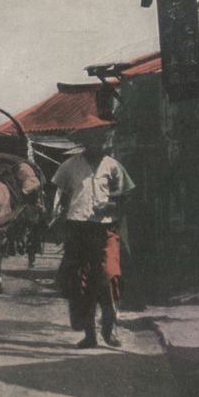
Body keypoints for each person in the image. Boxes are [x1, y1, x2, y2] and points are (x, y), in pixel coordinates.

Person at [52, 132, 135, 348]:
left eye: (100, 140)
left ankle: (109, 329)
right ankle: (90, 335)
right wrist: (61, 218)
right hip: (78, 229)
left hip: (106, 229)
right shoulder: (69, 166)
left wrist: (109, 207)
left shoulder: (113, 166)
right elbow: (62, 195)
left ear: (105, 142)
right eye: (91, 140)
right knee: (82, 282)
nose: (96, 144)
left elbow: (125, 198)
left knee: (109, 277)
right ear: (84, 142)